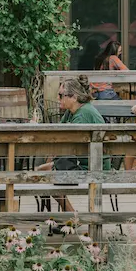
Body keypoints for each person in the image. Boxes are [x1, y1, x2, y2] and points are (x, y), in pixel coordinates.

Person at [37, 77, 109, 212]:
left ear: (74, 97)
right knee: (42, 171)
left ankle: (71, 216)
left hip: (93, 167)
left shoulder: (83, 115)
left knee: (47, 174)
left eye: (61, 95)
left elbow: (66, 143)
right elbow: (59, 137)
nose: (58, 98)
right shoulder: (72, 111)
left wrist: (53, 163)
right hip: (81, 162)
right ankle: (67, 215)